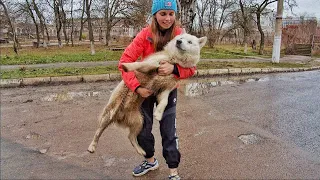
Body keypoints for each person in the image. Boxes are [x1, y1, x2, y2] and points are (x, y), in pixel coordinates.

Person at [118, 0, 196, 179]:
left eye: (171, 14)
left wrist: (174, 69)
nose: (167, 18)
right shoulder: (145, 34)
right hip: (146, 89)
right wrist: (137, 88)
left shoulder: (180, 35)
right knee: (143, 129)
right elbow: (124, 62)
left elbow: (192, 68)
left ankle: (173, 172)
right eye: (163, 14)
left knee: (168, 130)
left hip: (168, 89)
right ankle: (150, 161)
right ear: (155, 15)